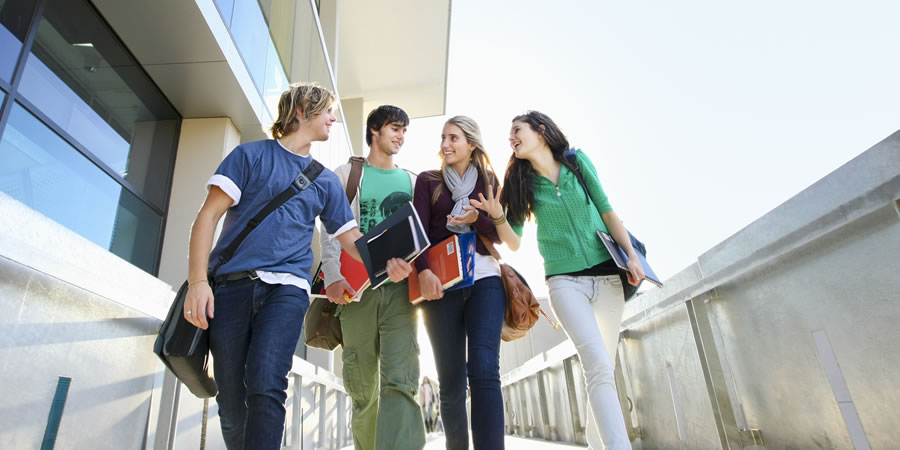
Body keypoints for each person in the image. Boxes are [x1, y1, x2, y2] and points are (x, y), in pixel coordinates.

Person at [182, 83, 410, 449]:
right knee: (229, 395)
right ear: (302, 111)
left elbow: (352, 242)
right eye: (327, 111)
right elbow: (206, 218)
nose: (333, 118)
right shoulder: (249, 157)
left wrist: (391, 263)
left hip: (288, 291)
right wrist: (197, 283)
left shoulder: (324, 180)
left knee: (267, 383)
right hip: (231, 288)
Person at [470, 111, 644, 450]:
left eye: (517, 131)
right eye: (510, 135)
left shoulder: (577, 162)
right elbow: (514, 240)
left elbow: (607, 210)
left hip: (608, 275)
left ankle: (599, 443)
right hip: (564, 282)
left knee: (603, 368)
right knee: (596, 363)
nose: (512, 139)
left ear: (541, 131)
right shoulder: (520, 182)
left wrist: (631, 256)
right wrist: (497, 215)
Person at [318, 105, 425, 450]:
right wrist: (332, 276)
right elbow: (331, 230)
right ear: (375, 130)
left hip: (400, 295)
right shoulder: (346, 174)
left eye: (404, 131)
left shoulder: (412, 181)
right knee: (362, 388)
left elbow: (422, 238)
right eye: (395, 128)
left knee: (401, 380)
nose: (401, 136)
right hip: (355, 293)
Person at [412, 116, 506, 449]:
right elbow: (418, 232)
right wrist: (423, 271)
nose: (445, 144)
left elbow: (501, 235)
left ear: (472, 143)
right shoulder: (427, 181)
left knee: (484, 370)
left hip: (485, 280)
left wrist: (478, 218)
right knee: (451, 383)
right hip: (441, 286)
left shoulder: (491, 182)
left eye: (454, 138)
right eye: (443, 138)